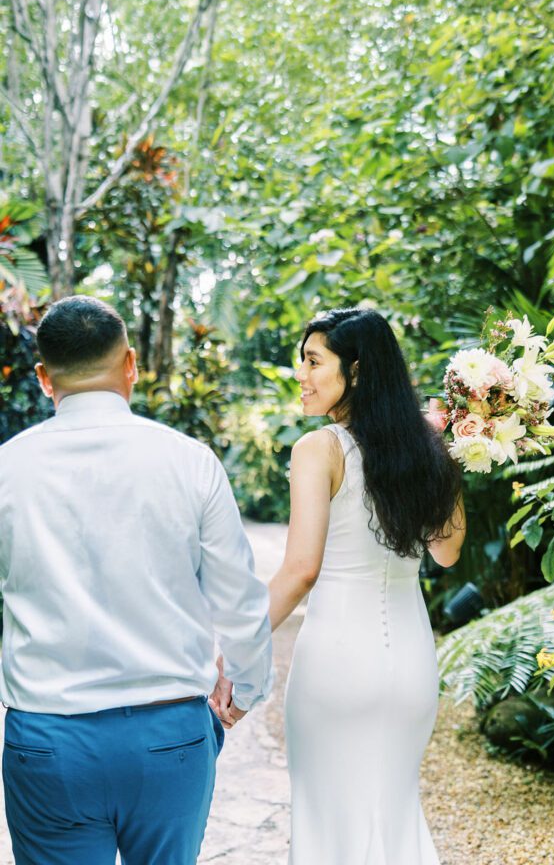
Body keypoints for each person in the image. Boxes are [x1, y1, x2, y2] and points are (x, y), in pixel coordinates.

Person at [0, 295, 272, 865]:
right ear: (130, 364)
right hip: (168, 735)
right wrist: (243, 689)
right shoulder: (190, 461)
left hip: (49, 741)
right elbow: (240, 600)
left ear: (45, 377)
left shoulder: (8, 469)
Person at [214, 307, 465, 863]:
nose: (301, 374)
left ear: (356, 370)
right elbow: (446, 553)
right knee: (394, 815)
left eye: (312, 361)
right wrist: (451, 454)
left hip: (337, 662)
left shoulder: (318, 449)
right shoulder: (426, 452)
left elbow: (301, 570)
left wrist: (234, 648)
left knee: (329, 825)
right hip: (411, 662)